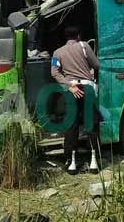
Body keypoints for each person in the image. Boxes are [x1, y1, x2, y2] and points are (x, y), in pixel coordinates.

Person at [50, 26, 101, 174]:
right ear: (78, 35)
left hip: (71, 89)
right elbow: (97, 64)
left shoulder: (57, 53)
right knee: (91, 124)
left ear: (65, 37)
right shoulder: (84, 46)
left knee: (71, 126)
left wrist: (69, 85)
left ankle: (71, 162)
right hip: (87, 87)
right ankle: (94, 162)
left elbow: (54, 73)